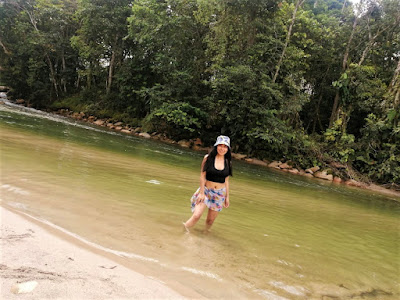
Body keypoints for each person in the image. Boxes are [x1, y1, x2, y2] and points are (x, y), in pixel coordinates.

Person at [183, 135, 232, 232]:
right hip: (206, 190)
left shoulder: (228, 162)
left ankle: (205, 235)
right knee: (196, 215)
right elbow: (202, 175)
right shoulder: (208, 158)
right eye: (220, 145)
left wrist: (227, 197)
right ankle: (183, 230)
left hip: (220, 193)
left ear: (228, 149)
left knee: (210, 221)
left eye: (225, 146)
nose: (222, 148)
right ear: (216, 146)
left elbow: (226, 180)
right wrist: (201, 193)